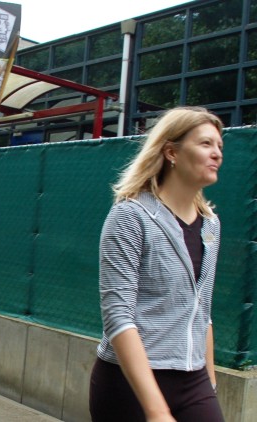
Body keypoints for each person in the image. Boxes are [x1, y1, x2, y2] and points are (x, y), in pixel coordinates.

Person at [89, 107, 225, 422]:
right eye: (205, 144)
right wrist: (156, 411)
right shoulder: (130, 216)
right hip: (128, 383)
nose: (217, 153)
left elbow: (202, 309)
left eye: (219, 146)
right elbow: (118, 316)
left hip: (193, 378)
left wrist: (210, 381)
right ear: (171, 152)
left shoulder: (211, 225)